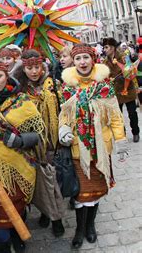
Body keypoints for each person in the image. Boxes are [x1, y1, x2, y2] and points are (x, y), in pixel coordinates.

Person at [59, 43, 127, 249]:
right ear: (73, 61)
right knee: (80, 194)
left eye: (86, 58)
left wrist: (121, 140)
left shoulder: (104, 86)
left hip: (100, 149)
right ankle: (80, 229)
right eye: (78, 58)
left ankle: (90, 226)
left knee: (96, 192)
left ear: (93, 59)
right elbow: (64, 115)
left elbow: (115, 116)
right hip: (79, 148)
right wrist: (63, 130)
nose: (82, 62)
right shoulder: (68, 87)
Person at [0, 58, 43, 253]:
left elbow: (38, 134)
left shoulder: (22, 99)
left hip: (19, 161)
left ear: (6, 76)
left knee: (18, 200)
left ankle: (17, 234)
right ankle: (2, 240)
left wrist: (21, 141)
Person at [14, 49, 65, 237]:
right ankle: (46, 212)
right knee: (36, 181)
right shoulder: (19, 89)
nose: (34, 71)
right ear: (23, 69)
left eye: (37, 67)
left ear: (42, 66)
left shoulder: (53, 85)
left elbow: (63, 109)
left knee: (50, 180)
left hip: (50, 141)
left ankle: (56, 219)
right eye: (29, 68)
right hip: (30, 142)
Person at [101, 37, 139, 142]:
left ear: (112, 48)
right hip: (115, 92)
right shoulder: (104, 62)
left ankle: (136, 132)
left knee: (132, 113)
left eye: (106, 47)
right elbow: (104, 76)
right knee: (118, 116)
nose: (104, 49)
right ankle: (122, 134)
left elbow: (130, 70)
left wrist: (126, 74)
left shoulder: (123, 57)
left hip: (127, 89)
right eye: (104, 47)